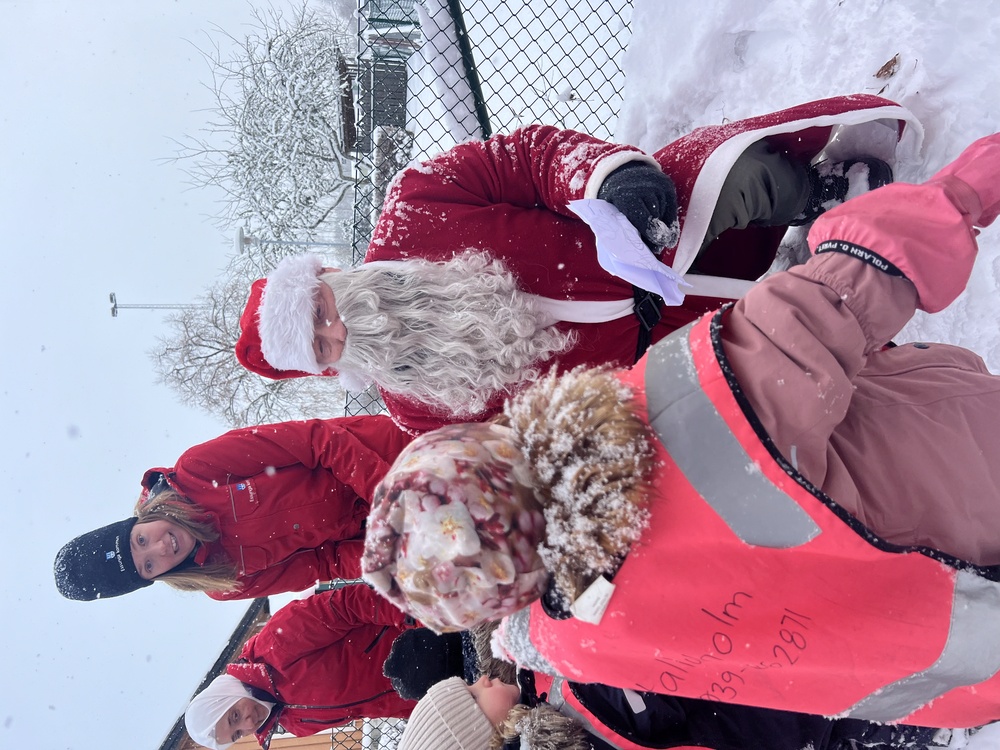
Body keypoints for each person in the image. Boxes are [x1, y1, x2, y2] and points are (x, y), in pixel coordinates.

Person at [359, 133, 1000, 728]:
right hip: (966, 457)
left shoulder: (591, 638)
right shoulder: (686, 411)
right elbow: (851, 286)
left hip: (961, 601)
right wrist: (966, 190)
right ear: (491, 441)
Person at [234, 95, 917, 434]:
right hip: (665, 367)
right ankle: (838, 302)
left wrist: (607, 182)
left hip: (655, 236)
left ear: (326, 277)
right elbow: (523, 438)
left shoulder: (414, 204)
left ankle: (820, 194)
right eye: (323, 344)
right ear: (329, 369)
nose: (340, 325)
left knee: (734, 175)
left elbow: (528, 158)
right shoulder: (415, 409)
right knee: (797, 371)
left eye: (321, 307)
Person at [389, 622, 945, 750]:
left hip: (777, 711)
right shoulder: (567, 716)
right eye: (471, 693)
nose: (479, 677)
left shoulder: (547, 699)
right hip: (777, 708)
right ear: (486, 733)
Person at [53, 415, 410, 601]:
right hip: (392, 525)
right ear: (155, 578)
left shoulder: (196, 471)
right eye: (148, 566)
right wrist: (393, 549)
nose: (161, 548)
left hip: (388, 455)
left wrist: (392, 495)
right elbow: (323, 562)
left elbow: (316, 440)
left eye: (140, 541)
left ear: (136, 522)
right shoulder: (222, 583)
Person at [184, 585, 417, 750]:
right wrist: (418, 705)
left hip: (423, 632)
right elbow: (371, 707)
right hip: (429, 686)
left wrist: (417, 622)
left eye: (234, 716)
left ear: (225, 696)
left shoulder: (275, 645)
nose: (248, 724)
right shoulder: (294, 724)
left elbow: (349, 605)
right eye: (237, 734)